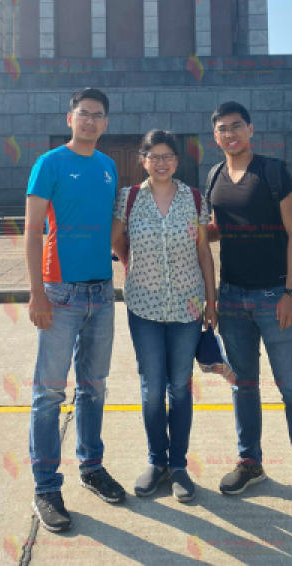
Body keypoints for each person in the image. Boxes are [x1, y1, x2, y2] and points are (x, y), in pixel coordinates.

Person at [205, 101, 292, 516]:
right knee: (243, 384)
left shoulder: (274, 172)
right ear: (215, 136)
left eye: (236, 126)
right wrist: (183, 233)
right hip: (232, 296)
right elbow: (220, 228)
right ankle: (250, 462)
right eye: (222, 129)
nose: (230, 134)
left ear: (251, 130)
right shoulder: (214, 177)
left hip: (275, 296)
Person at [25, 87, 127, 533]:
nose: (90, 121)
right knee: (49, 393)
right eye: (83, 114)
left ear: (106, 123)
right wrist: (36, 293)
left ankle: (91, 467)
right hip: (60, 293)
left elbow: (113, 230)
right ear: (70, 118)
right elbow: (31, 231)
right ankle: (46, 485)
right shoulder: (49, 164)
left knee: (94, 387)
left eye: (98, 115)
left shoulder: (108, 168)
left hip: (101, 294)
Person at [111, 130, 216, 503]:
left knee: (180, 387)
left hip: (188, 307)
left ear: (177, 160)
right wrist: (128, 263)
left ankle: (179, 466)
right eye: (153, 155)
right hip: (144, 306)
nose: (161, 162)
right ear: (143, 160)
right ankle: (156, 462)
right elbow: (116, 240)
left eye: (167, 155)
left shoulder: (194, 199)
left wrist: (212, 301)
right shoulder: (129, 198)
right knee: (153, 389)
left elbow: (204, 252)